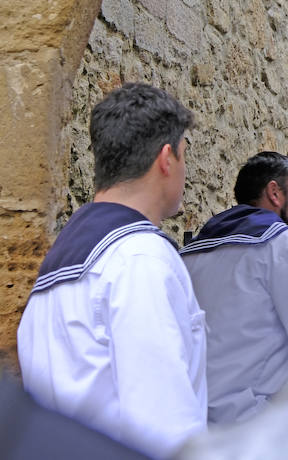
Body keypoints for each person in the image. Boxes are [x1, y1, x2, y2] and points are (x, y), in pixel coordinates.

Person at [18, 83, 206, 459]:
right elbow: (164, 428)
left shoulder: (62, 257)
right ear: (166, 158)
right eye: (184, 156)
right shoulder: (141, 258)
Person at [182, 152, 288, 424]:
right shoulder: (284, 244)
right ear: (274, 193)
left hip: (197, 422)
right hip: (257, 427)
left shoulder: (190, 252)